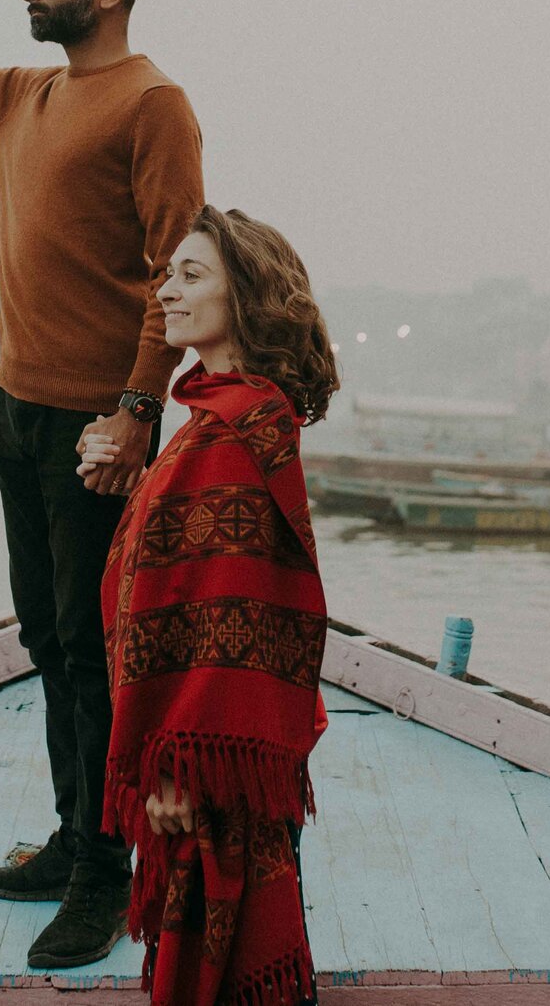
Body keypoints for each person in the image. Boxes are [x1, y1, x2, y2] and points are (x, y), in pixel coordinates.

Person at [0, 0, 204, 967]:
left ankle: (102, 871)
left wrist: (135, 411)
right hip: (16, 407)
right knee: (44, 634)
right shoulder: (23, 95)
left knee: (93, 652)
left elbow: (176, 268)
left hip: (98, 417)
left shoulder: (151, 104)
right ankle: (73, 834)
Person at [95, 206, 334, 1006]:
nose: (166, 290)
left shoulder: (233, 433)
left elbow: (230, 617)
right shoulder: (217, 413)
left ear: (249, 297)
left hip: (206, 763)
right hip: (210, 751)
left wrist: (177, 770)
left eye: (191, 275)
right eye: (169, 273)